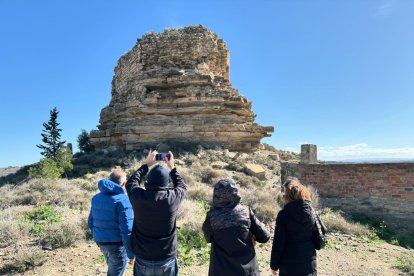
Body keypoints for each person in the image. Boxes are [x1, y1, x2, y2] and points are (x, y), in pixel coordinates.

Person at [125, 150, 187, 276]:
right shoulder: (172, 198)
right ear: (166, 183)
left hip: (143, 257)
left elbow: (131, 182)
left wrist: (146, 164)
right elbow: (182, 186)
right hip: (166, 258)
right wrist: (172, 167)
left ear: (148, 181)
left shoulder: (138, 197)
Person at [202, 179, 270, 276]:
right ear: (235, 193)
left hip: (221, 271)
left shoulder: (212, 217)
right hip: (247, 271)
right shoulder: (246, 212)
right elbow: (264, 237)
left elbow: (208, 238)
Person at [88, 169, 135, 276]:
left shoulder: (96, 198)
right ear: (123, 183)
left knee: (112, 269)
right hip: (117, 246)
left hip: (102, 243)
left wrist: (98, 238)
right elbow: (127, 230)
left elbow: (90, 222)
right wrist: (131, 253)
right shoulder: (123, 200)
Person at [270, 178, 317, 276]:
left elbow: (278, 243)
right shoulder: (312, 212)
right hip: (309, 262)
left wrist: (274, 265)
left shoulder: (283, 215)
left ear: (288, 197)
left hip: (289, 265)